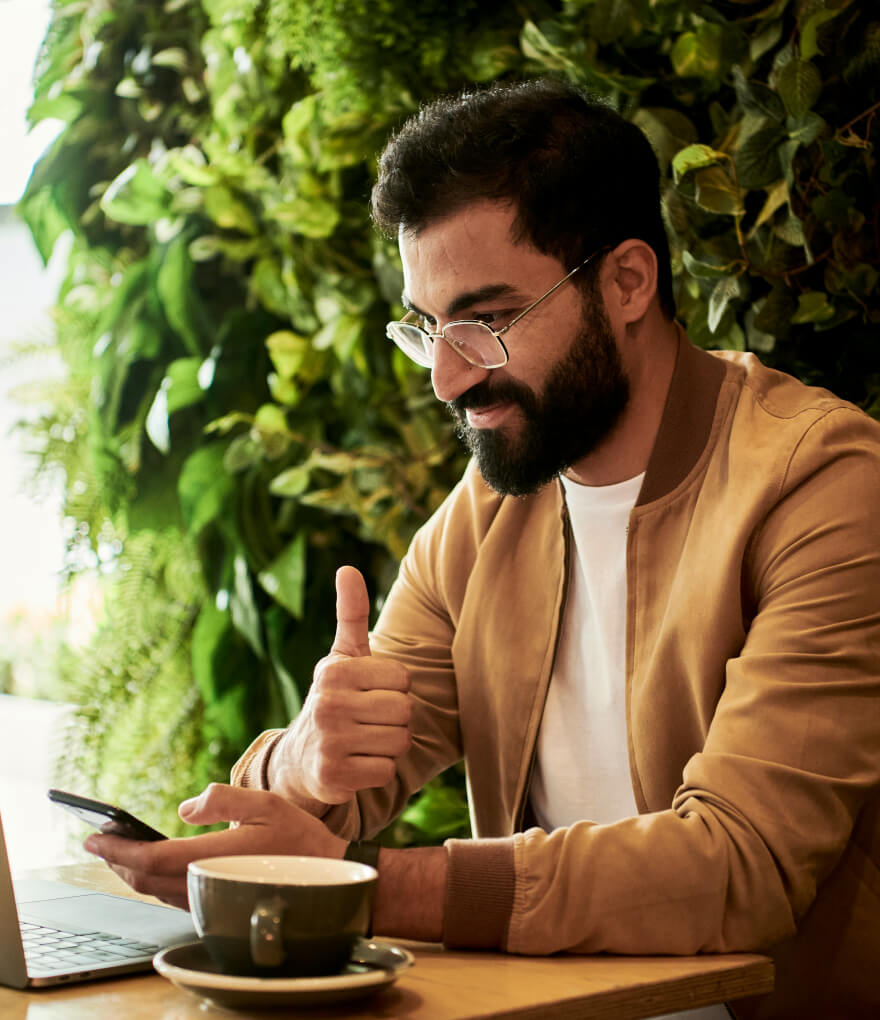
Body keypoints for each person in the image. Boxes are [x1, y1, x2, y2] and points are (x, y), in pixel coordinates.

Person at [85, 79, 880, 1019]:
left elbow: (740, 866)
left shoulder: (822, 483)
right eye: (427, 328)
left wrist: (359, 884)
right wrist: (307, 761)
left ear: (628, 281)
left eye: (488, 320)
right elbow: (337, 792)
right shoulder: (490, 512)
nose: (449, 377)